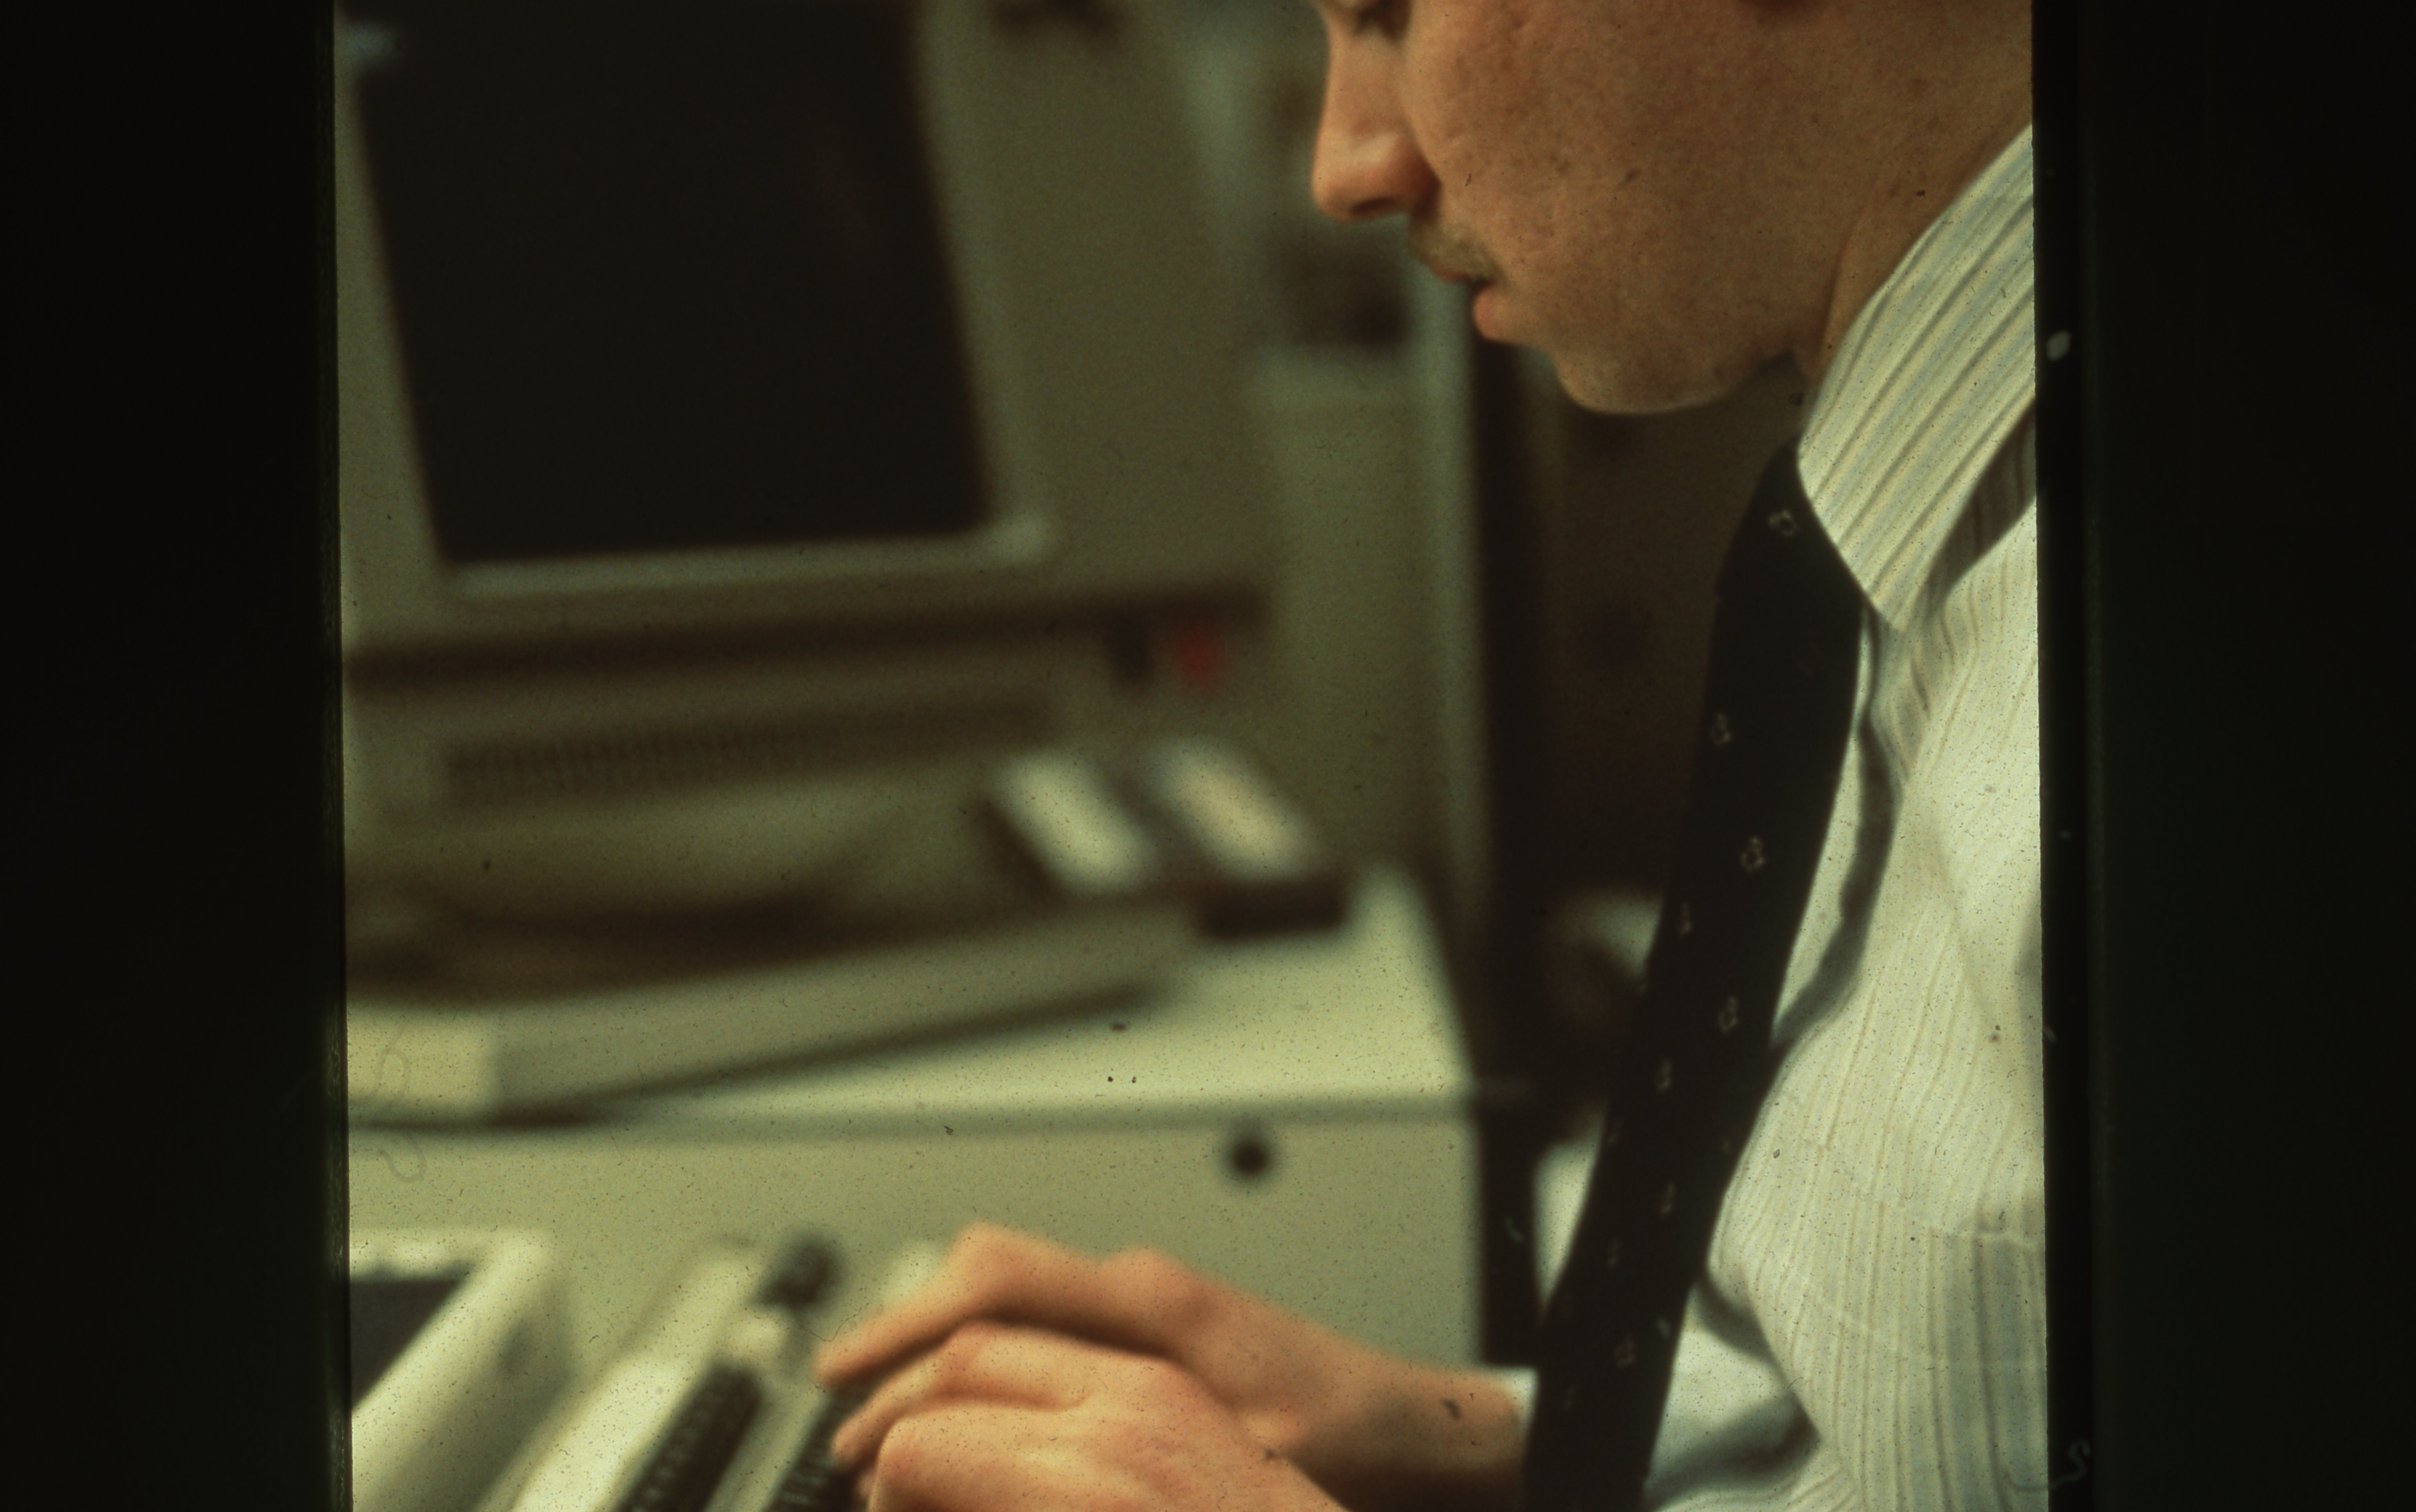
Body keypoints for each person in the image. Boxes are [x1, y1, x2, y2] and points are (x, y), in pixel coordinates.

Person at [811, 0, 2044, 1506]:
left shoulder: (2149, 691)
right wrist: (1458, 1425)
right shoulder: (1941, 530)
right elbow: (1933, 1417)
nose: (1347, 167)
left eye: (1392, 12)